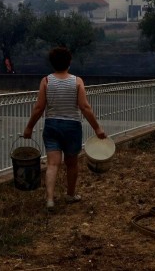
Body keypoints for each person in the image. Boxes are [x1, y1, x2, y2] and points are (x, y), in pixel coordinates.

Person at [23, 47, 107, 211]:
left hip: (52, 125)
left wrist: (29, 127)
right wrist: (97, 128)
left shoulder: (46, 81)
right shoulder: (77, 81)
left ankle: (49, 200)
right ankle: (70, 195)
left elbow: (39, 108)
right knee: (71, 164)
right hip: (72, 127)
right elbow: (84, 107)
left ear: (52, 63)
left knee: (53, 164)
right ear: (69, 62)